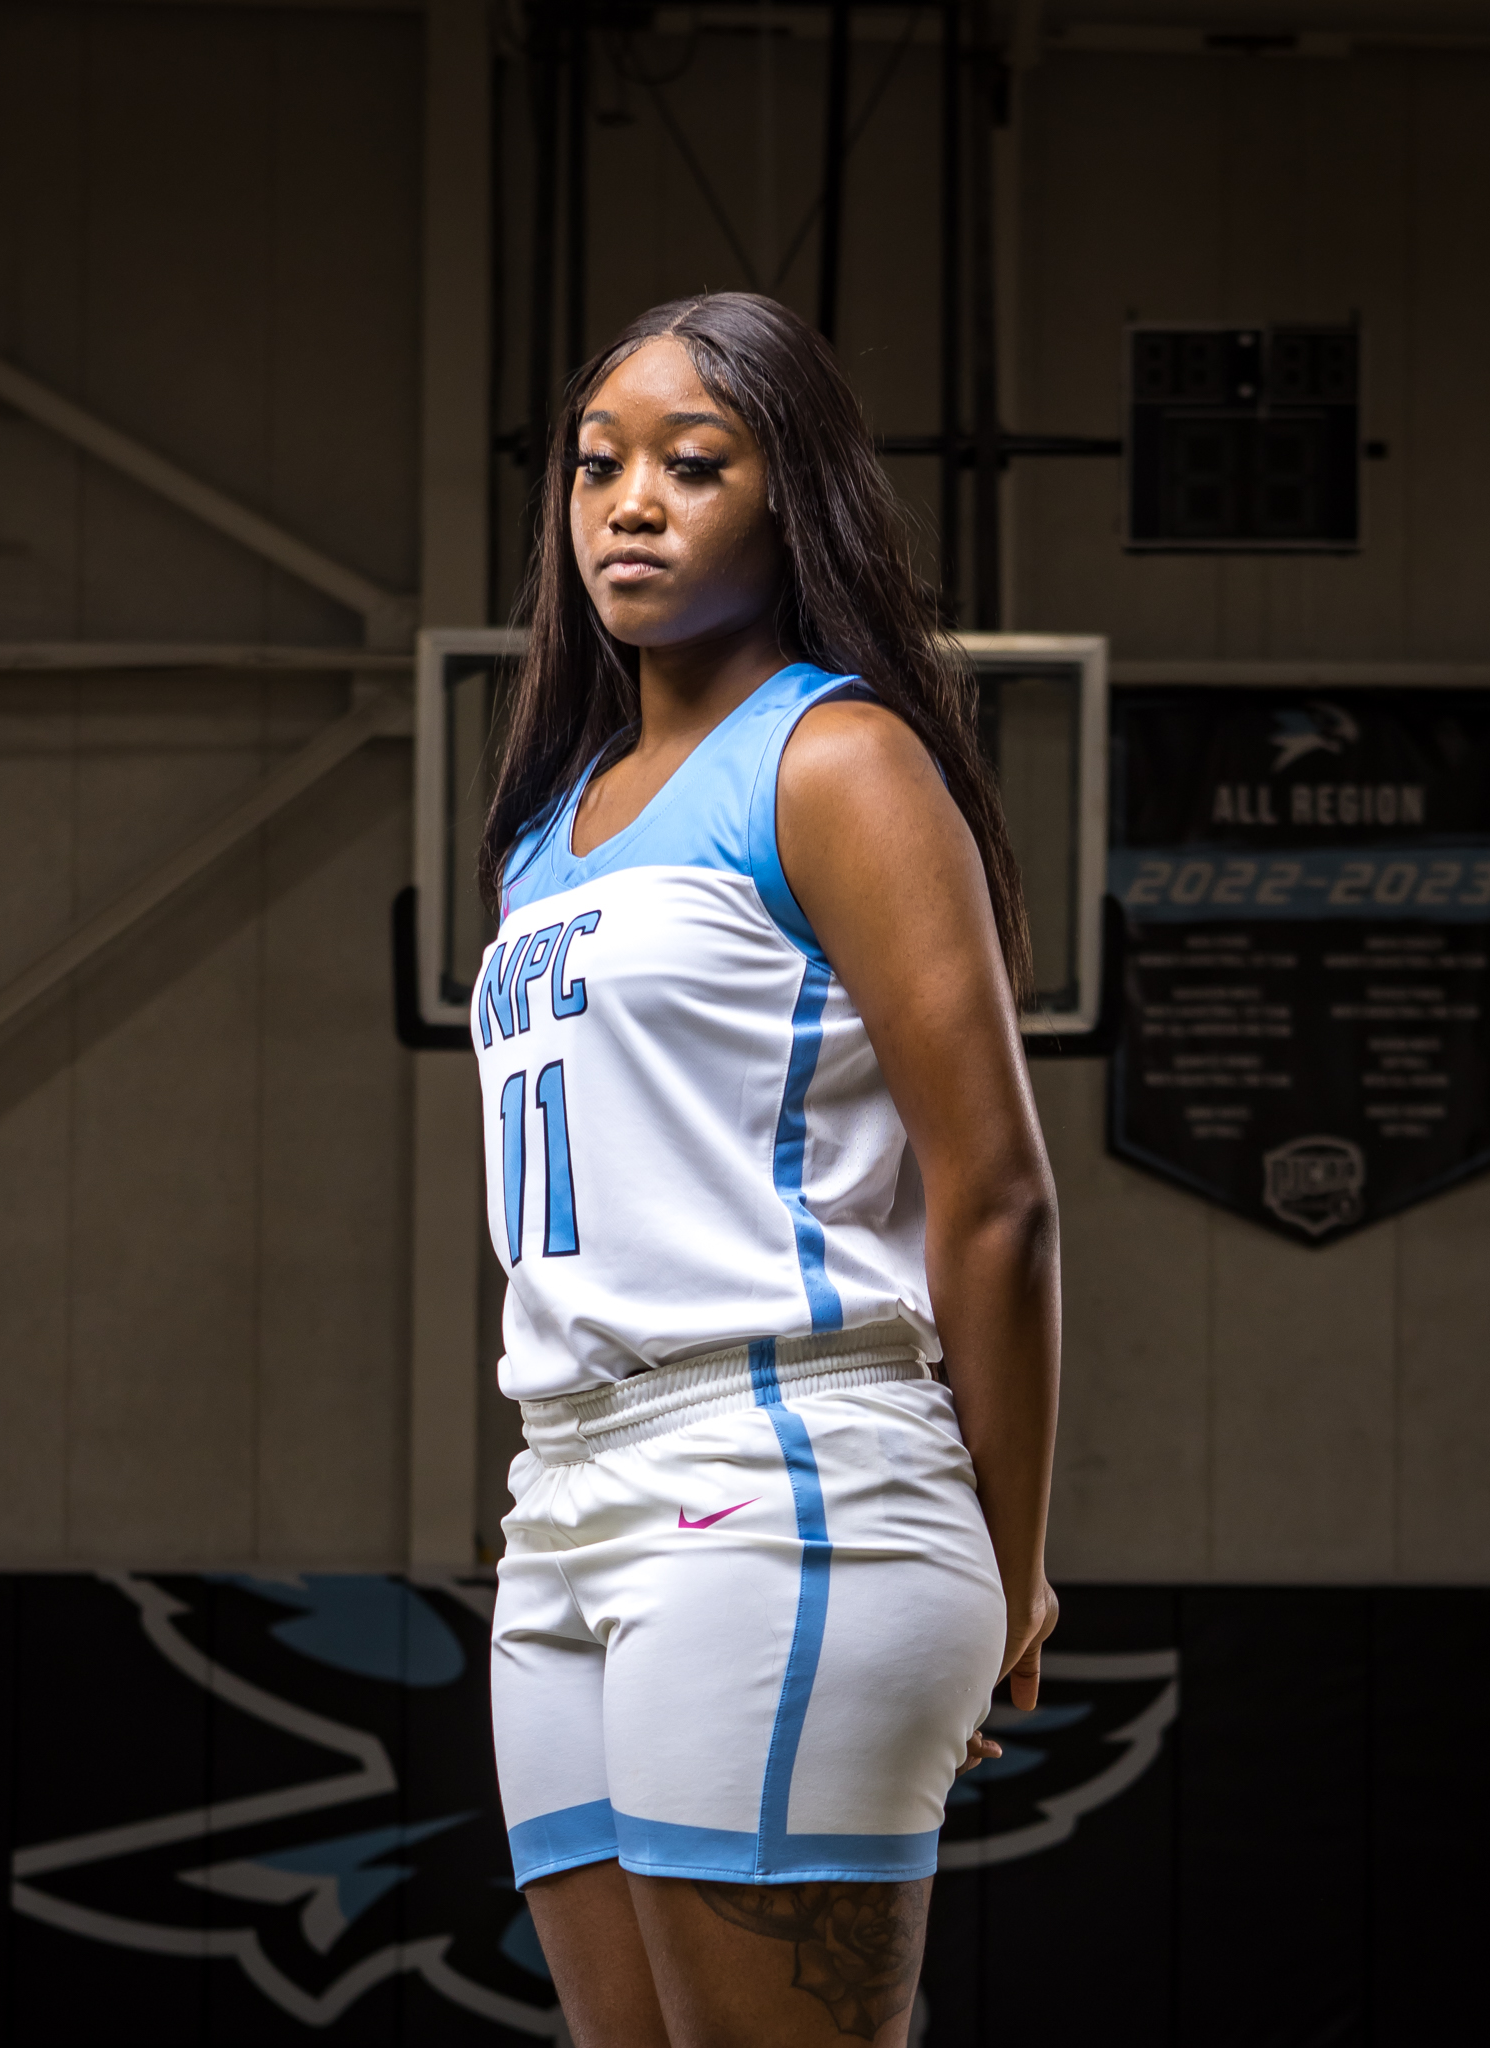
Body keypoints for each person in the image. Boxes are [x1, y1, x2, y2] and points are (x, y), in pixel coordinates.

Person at [473, 292, 1059, 2048]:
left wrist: (1013, 1560)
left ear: (788, 496)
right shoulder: (544, 827)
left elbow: (1000, 1196)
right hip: (563, 1494)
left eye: (690, 465)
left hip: (784, 1475)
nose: (625, 505)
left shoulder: (837, 759)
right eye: (596, 466)